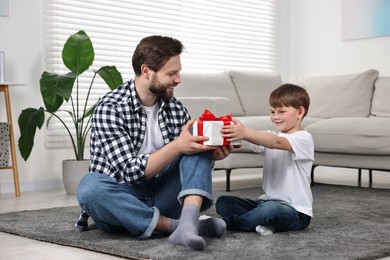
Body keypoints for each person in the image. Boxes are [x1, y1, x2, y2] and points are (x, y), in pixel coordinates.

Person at [75, 35, 233, 251]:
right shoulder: (110, 108)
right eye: (171, 73)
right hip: (123, 200)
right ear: (147, 71)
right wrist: (178, 145)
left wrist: (209, 156)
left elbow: (186, 164)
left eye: (178, 72)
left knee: (195, 143)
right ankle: (180, 226)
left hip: (162, 194)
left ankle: (186, 223)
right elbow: (130, 172)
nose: (178, 79)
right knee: (89, 188)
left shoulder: (176, 109)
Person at [216, 83, 314, 235]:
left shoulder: (303, 138)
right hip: (266, 202)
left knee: (270, 210)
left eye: (281, 111)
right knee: (224, 202)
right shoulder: (269, 135)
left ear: (300, 112)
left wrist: (246, 132)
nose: (275, 117)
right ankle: (263, 221)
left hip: (296, 212)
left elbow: (276, 142)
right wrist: (233, 134)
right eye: (272, 111)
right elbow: (257, 140)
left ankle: (224, 224)